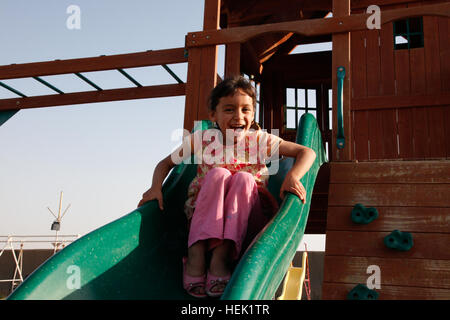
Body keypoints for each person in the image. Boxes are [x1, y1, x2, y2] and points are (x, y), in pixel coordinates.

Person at [137, 75, 316, 298]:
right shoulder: (202, 140)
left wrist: (293, 176)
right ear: (213, 114)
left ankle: (220, 259)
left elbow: (306, 152)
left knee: (243, 179)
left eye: (246, 110)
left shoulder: (260, 140)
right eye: (229, 109)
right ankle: (196, 255)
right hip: (205, 218)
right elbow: (165, 163)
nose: (238, 117)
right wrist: (155, 187)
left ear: (252, 114)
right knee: (218, 175)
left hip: (249, 217)